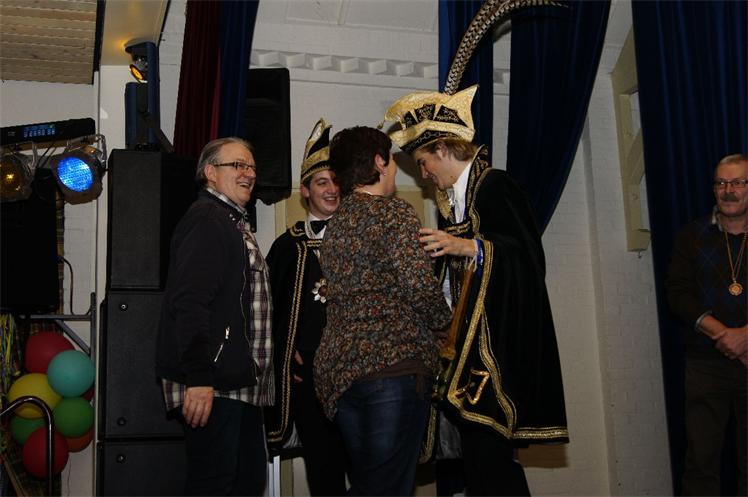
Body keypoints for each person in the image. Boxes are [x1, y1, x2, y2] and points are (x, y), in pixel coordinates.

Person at [383, 85, 569, 496]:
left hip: (494, 352)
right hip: (466, 355)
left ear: (444, 149)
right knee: (482, 465)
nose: (423, 174)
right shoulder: (456, 204)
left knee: (492, 462)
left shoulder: (495, 186)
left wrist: (469, 247)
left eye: (424, 162)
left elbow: (527, 257)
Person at [313, 125, 452, 496]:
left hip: (339, 374)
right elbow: (419, 286)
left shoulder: (335, 226)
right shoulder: (393, 214)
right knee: (385, 489)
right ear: (378, 161)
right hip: (392, 366)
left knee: (369, 482)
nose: (394, 169)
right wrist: (447, 327)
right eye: (391, 160)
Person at [156, 137, 274, 496]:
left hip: (238, 384)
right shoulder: (208, 220)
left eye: (251, 166)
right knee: (216, 484)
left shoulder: (232, 222)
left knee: (246, 482)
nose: (248, 173)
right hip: (215, 383)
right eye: (237, 165)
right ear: (210, 172)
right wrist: (199, 377)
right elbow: (189, 303)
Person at [265, 118, 347, 496]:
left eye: (336, 181)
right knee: (324, 473)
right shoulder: (287, 247)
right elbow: (269, 313)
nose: (331, 190)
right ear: (305, 191)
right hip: (308, 382)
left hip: (356, 377)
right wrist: (286, 355)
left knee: (371, 472)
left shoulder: (361, 240)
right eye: (322, 182)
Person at [666, 153, 747, 496]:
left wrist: (746, 337)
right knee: (700, 463)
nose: (728, 191)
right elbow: (678, 295)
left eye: (738, 182)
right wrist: (726, 336)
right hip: (705, 365)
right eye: (721, 183)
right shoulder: (692, 235)